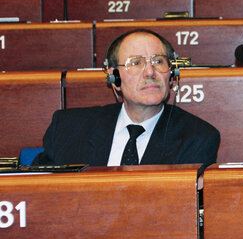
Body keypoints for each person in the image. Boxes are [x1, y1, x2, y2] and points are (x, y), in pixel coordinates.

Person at [34, 29, 220, 167]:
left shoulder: (197, 138)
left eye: (159, 61)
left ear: (171, 76)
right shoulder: (69, 129)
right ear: (115, 79)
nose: (150, 72)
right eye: (136, 63)